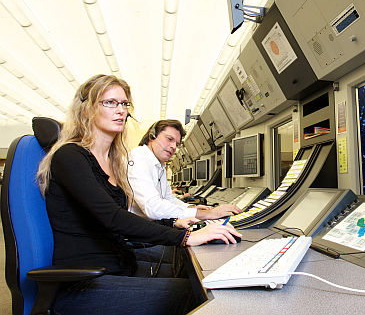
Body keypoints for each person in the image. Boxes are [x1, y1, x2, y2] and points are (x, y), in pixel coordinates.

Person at [37, 74, 241, 315]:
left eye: (124, 104)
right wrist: (184, 237)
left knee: (202, 279)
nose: (120, 110)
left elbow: (119, 219)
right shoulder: (70, 156)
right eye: (109, 103)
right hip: (84, 282)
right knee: (198, 295)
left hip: (116, 264)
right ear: (88, 109)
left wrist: (174, 224)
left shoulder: (113, 162)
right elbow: (113, 218)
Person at [128, 119, 242, 221]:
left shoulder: (159, 165)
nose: (173, 147)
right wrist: (207, 214)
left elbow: (169, 199)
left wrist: (191, 208)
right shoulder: (139, 158)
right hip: (138, 239)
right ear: (152, 136)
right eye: (169, 139)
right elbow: (153, 208)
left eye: (177, 144)